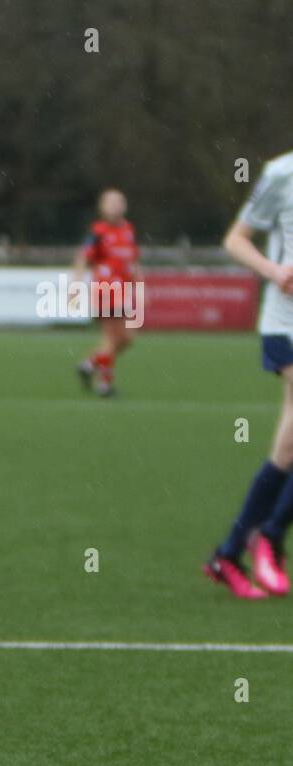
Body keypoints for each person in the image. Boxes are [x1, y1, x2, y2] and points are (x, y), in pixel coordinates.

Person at [204, 150, 293, 599]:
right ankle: (269, 539)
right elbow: (236, 239)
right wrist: (275, 271)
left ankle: (232, 551)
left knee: (288, 446)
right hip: (287, 323)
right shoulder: (282, 173)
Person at [72, 188, 141, 397]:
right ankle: (105, 384)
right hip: (105, 290)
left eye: (119, 202)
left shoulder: (128, 230)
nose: (115, 206)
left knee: (126, 339)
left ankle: (88, 364)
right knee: (113, 338)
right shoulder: (98, 232)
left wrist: (141, 286)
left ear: (125, 206)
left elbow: (133, 261)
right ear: (102, 207)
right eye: (110, 202)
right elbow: (82, 257)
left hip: (123, 291)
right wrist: (76, 285)